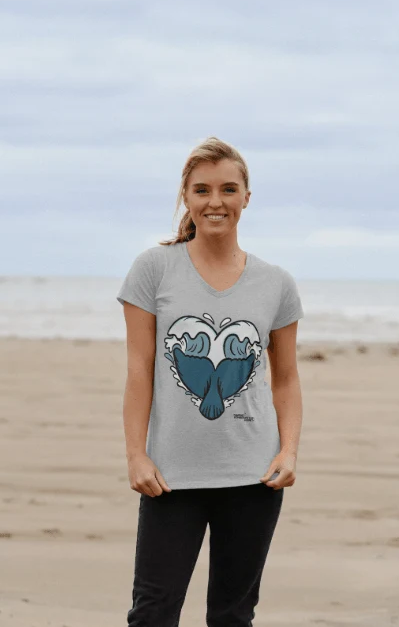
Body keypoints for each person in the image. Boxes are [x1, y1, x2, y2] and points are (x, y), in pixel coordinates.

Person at [116, 136, 304, 626]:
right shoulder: (154, 270)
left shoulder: (276, 284)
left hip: (254, 477)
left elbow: (286, 380)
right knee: (152, 613)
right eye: (202, 190)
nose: (215, 201)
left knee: (233, 615)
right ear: (186, 196)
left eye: (228, 189)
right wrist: (136, 455)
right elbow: (139, 371)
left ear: (246, 197)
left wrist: (288, 452)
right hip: (170, 477)